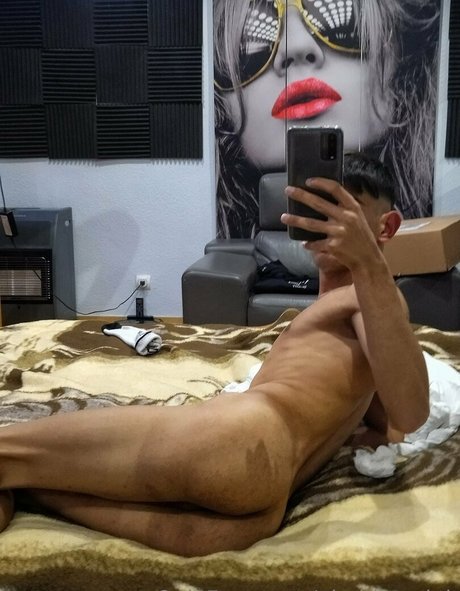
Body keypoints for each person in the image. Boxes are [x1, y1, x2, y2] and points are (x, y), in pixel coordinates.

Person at [0, 154, 429, 557]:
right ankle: (28, 490)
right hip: (265, 499)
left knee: (9, 452)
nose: (328, 222)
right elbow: (385, 411)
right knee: (27, 475)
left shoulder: (370, 298)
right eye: (319, 208)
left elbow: (410, 413)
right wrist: (373, 429)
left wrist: (370, 265)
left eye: (346, 212)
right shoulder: (363, 319)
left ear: (385, 227)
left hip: (241, 435)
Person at [214, 0, 440, 238]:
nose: (296, 46)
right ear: (222, 106)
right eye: (249, 44)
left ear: (401, 56)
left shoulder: (422, 249)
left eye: (341, 27)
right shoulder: (239, 255)